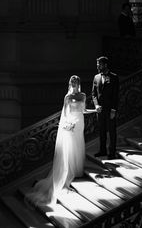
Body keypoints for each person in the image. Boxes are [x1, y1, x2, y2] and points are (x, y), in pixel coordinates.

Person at [24, 75, 86, 208]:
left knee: (78, 146)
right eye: (72, 82)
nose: (74, 84)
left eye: (76, 82)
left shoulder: (83, 95)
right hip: (71, 124)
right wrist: (68, 123)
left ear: (78, 83)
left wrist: (95, 110)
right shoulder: (67, 97)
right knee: (70, 148)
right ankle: (70, 169)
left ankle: (77, 168)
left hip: (80, 123)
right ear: (70, 83)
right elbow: (64, 113)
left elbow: (84, 110)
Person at [92, 56, 119, 160]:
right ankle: (102, 150)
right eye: (97, 64)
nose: (97, 66)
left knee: (112, 131)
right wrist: (96, 105)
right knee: (102, 130)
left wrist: (113, 110)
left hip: (110, 109)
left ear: (105, 65)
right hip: (100, 110)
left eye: (99, 64)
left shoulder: (114, 77)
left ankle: (112, 152)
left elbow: (116, 95)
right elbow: (93, 94)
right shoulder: (96, 77)